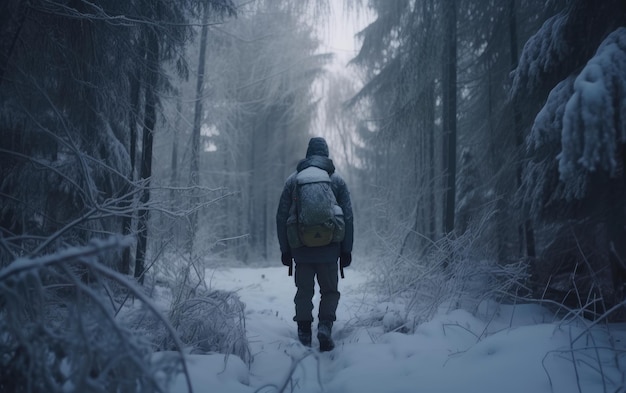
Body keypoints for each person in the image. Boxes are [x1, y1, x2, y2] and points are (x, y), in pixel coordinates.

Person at [276, 137, 354, 351]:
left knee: (304, 292)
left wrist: (285, 250)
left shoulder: (294, 180)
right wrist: (346, 250)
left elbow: (281, 216)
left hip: (301, 249)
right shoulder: (336, 180)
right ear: (326, 155)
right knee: (329, 291)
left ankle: (303, 332)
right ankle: (325, 327)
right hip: (330, 251)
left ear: (308, 154)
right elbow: (347, 216)